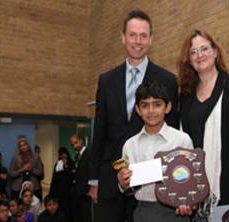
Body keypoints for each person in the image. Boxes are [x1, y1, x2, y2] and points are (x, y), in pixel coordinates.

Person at [88, 9, 179, 222]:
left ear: (151, 39)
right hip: (110, 181)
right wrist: (94, 180)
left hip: (151, 185)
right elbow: (99, 130)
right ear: (123, 37)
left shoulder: (167, 80)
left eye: (143, 35)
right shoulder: (106, 80)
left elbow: (172, 131)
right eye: (132, 35)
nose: (137, 41)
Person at [177, 29, 229, 220]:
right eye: (193, 52)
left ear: (215, 52)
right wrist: (183, 191)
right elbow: (182, 147)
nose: (199, 55)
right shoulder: (185, 96)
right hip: (196, 194)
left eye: (204, 48)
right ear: (189, 60)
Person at [117, 81, 193, 222]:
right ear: (138, 110)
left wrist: (189, 202)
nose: (151, 111)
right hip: (143, 212)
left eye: (157, 104)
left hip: (175, 213)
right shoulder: (130, 145)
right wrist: (123, 184)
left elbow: (190, 181)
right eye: (145, 105)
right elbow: (128, 189)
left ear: (168, 107)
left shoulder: (182, 140)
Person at [69, 135, 91, 222]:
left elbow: (91, 171)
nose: (75, 146)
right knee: (79, 214)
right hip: (78, 190)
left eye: (76, 143)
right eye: (72, 145)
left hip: (86, 190)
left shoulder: (89, 153)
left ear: (81, 141)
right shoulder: (77, 156)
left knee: (86, 215)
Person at [49, 147, 74, 221]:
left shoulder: (71, 163)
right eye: (61, 154)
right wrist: (51, 193)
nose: (63, 156)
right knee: (58, 209)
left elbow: (72, 176)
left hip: (67, 192)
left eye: (64, 154)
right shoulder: (57, 164)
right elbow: (53, 178)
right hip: (57, 191)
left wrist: (66, 166)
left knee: (66, 210)